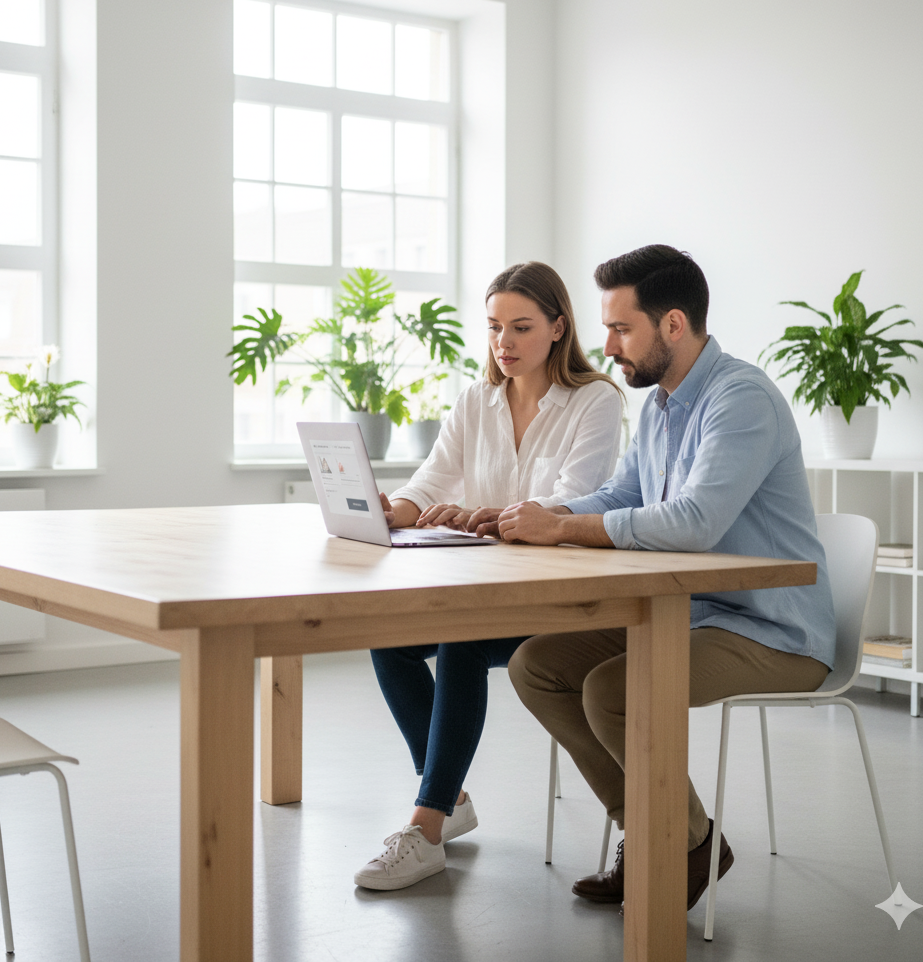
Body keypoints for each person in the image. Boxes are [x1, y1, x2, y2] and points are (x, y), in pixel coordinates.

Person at [502, 244, 835, 913]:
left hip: (776, 633)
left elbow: (693, 523)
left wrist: (564, 531)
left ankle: (674, 844)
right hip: (694, 615)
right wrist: (543, 514)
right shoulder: (659, 407)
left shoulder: (741, 399)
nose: (608, 345)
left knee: (616, 689)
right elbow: (621, 495)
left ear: (674, 326)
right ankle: (669, 834)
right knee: (537, 665)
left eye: (622, 329)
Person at [355, 261, 625, 891]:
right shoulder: (476, 400)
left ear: (558, 327)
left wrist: (485, 518)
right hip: (485, 585)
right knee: (389, 638)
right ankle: (448, 799)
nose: (504, 343)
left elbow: (571, 501)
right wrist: (388, 510)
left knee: (460, 639)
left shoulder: (596, 401)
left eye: (522, 327)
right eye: (495, 327)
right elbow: (429, 482)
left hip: (560, 596)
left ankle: (426, 827)